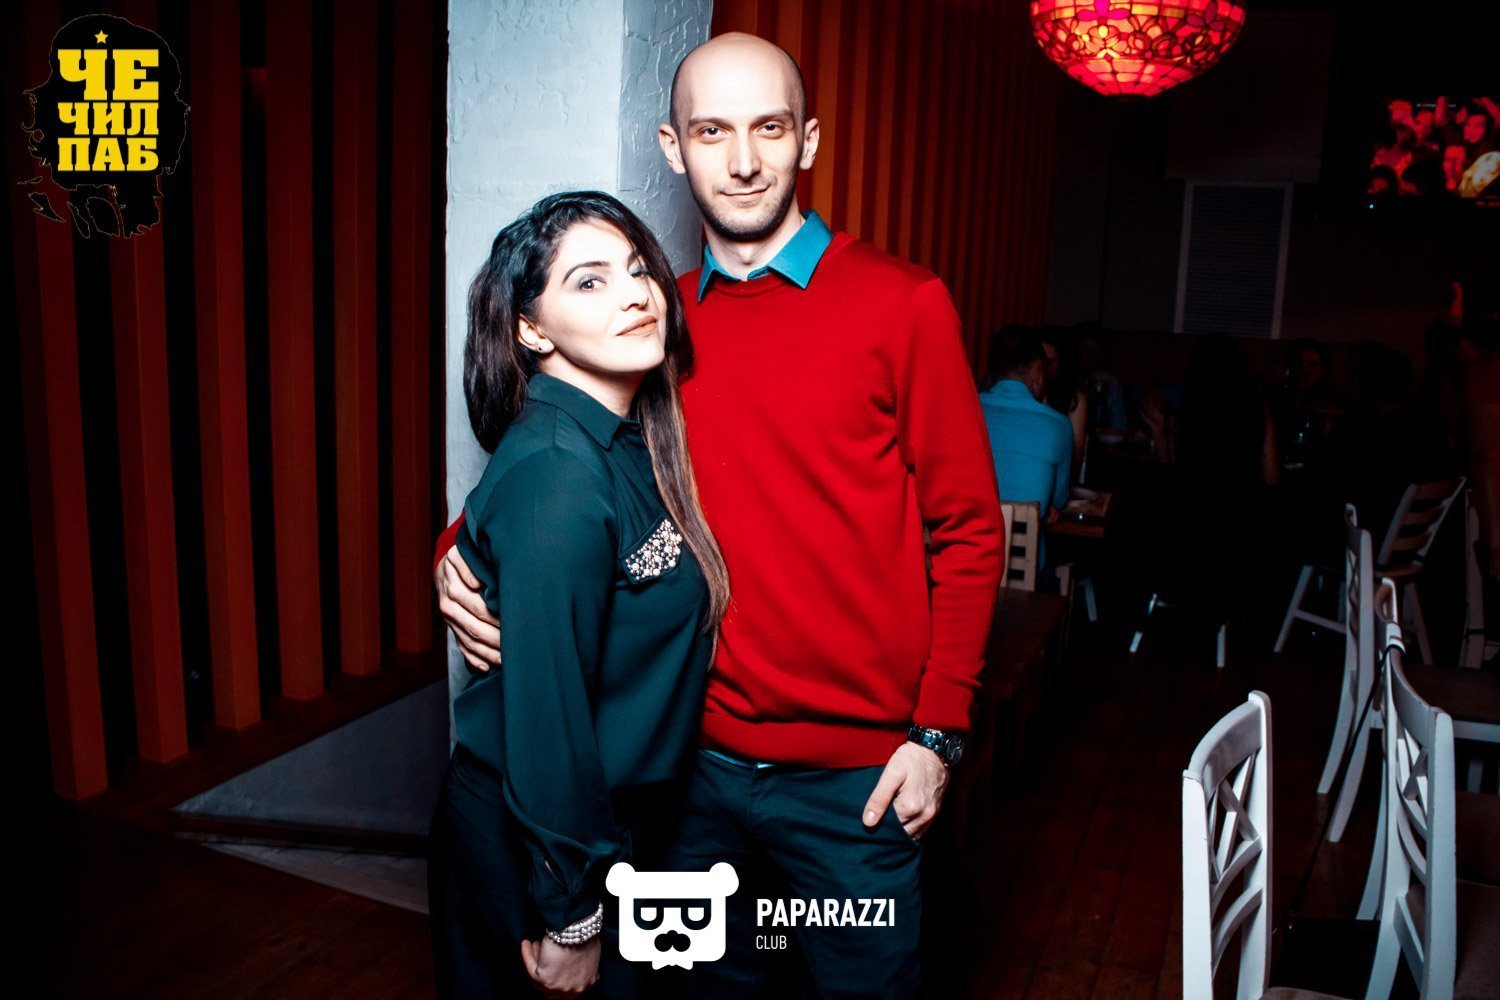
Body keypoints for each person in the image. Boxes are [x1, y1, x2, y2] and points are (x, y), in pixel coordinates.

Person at [434, 32, 1003, 999]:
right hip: (687, 783)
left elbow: (970, 528)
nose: (742, 161)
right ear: (673, 147)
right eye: (711, 132)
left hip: (853, 789)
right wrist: (458, 549)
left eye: (769, 129)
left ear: (807, 140)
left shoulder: (903, 305)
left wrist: (938, 732)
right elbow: (567, 472)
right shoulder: (656, 324)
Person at [426, 190, 730, 999]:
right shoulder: (558, 472)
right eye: (589, 282)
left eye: (637, 270)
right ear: (532, 330)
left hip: (617, 830)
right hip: (539, 843)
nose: (634, 294)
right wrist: (572, 916)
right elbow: (549, 717)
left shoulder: (629, 440)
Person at [980, 327, 1072, 520]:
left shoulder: (964, 409)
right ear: (1039, 374)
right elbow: (1059, 499)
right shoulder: (1058, 425)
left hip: (963, 536)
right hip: (1023, 539)